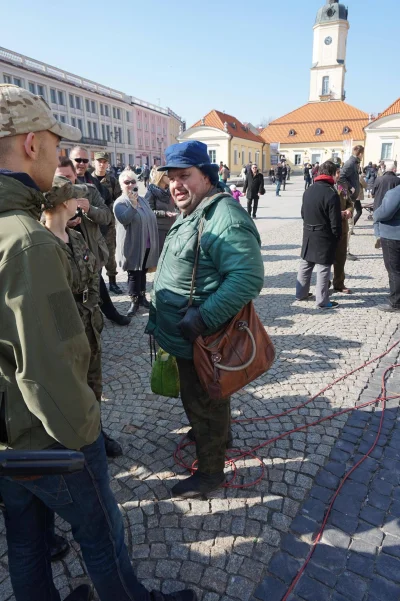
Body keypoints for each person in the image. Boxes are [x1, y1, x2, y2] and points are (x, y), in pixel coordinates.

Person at [0, 84, 197, 601]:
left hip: (7, 432)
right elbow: (48, 367)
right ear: (29, 144)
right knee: (102, 533)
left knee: (26, 540)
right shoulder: (25, 240)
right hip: (48, 436)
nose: (60, 156)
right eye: (54, 144)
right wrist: (87, 438)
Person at [146, 141, 264, 498]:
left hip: (202, 338)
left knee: (203, 401)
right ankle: (217, 434)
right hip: (185, 335)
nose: (176, 185)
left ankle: (211, 473)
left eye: (185, 176)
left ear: (207, 176)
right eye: (171, 178)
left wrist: (203, 317)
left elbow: (247, 278)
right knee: (207, 396)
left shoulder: (223, 215)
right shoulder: (194, 210)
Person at [67, 148, 130, 327]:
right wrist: (64, 222)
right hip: (66, 245)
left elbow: (107, 214)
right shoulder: (54, 186)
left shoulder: (93, 186)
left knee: (95, 280)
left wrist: (90, 210)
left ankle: (106, 314)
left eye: (84, 160)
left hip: (90, 245)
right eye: (77, 160)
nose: (81, 163)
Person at [296, 160, 342, 309]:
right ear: (331, 174)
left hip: (308, 232)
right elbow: (335, 221)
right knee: (323, 268)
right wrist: (337, 236)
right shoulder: (331, 193)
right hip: (324, 235)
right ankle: (322, 301)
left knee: (306, 263)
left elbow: (303, 213)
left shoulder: (309, 189)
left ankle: (301, 293)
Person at [114, 169, 159, 316]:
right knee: (134, 273)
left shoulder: (142, 200)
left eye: (133, 181)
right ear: (122, 185)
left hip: (146, 244)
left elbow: (150, 216)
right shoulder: (120, 202)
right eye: (127, 182)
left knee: (143, 271)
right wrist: (132, 206)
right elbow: (124, 219)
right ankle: (134, 302)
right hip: (132, 244)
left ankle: (142, 297)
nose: (131, 184)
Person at [91, 151, 123, 295]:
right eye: (99, 161)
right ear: (94, 163)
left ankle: (113, 282)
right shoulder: (88, 179)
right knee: (93, 254)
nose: (102, 164)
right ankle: (96, 283)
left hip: (109, 225)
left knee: (110, 253)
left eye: (104, 162)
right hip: (92, 223)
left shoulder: (112, 180)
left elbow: (118, 200)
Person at [374, 185, 400, 312]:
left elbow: (384, 213)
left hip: (393, 235)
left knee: (394, 269)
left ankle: (396, 303)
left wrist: (375, 214)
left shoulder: (396, 192)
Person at [145, 169, 177, 254]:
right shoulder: (151, 192)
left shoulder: (170, 191)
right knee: (160, 255)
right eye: (168, 175)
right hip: (159, 229)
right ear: (161, 176)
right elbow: (149, 212)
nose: (170, 178)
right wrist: (164, 213)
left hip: (172, 227)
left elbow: (176, 205)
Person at [333, 170, 353, 293]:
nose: (338, 175)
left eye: (339, 172)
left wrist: (349, 210)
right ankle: (323, 283)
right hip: (329, 228)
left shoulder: (342, 186)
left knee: (341, 256)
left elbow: (349, 203)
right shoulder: (325, 187)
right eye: (336, 172)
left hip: (342, 226)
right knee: (326, 259)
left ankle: (339, 283)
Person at [372, 164, 400, 248]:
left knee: (376, 220)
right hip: (391, 203)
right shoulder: (397, 180)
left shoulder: (379, 179)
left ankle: (377, 235)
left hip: (378, 202)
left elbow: (373, 192)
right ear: (394, 170)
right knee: (388, 219)